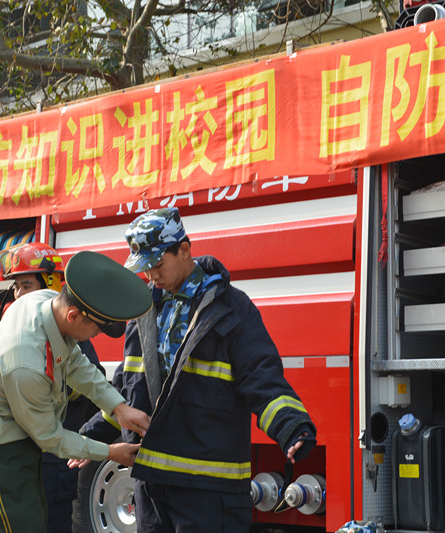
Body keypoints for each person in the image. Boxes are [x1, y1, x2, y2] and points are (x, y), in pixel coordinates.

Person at [79, 207, 317, 532]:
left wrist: (292, 427)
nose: (152, 276)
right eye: (145, 268)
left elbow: (261, 377)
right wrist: (91, 436)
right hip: (152, 485)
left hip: (209, 489)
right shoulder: (144, 311)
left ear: (185, 250)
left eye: (158, 264)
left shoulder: (230, 309)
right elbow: (128, 387)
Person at [0, 250, 152, 533]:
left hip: (14, 450)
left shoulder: (43, 301)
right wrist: (109, 452)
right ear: (73, 315)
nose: (95, 336)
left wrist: (118, 406)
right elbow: (49, 436)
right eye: (95, 329)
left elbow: (75, 363)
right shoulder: (26, 364)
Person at [0, 242, 105, 533]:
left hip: (55, 461)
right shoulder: (23, 331)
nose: (18, 295)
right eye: (16, 288)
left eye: (25, 285)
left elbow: (90, 385)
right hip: (29, 458)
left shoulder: (73, 335)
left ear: (51, 284)